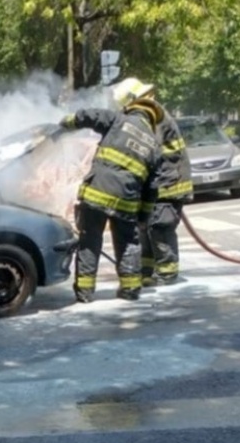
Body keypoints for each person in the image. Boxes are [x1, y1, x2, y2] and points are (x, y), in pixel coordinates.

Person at [59, 95, 163, 303]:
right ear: (151, 119)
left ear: (133, 109)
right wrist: (143, 216)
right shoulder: (155, 147)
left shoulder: (119, 120)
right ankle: (131, 289)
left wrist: (69, 121)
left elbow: (92, 116)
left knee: (90, 241)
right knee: (127, 243)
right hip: (126, 201)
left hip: (96, 194)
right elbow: (152, 189)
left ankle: (85, 292)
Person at [112, 78, 193, 288]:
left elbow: (146, 151)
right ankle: (146, 271)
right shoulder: (150, 114)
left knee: (159, 227)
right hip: (160, 183)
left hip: (168, 184)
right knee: (144, 226)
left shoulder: (153, 116)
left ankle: (167, 273)